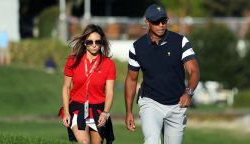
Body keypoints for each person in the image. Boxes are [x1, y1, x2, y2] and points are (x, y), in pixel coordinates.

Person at [124, 4, 200, 144]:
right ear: (147, 22)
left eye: (164, 21)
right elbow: (131, 80)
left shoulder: (181, 42)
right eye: (156, 22)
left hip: (177, 104)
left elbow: (194, 70)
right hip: (150, 102)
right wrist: (129, 111)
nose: (161, 25)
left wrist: (188, 92)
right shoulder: (137, 48)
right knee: (152, 141)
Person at [61, 24, 116, 144]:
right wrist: (66, 112)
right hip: (77, 108)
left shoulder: (109, 64)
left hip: (98, 110)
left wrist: (105, 113)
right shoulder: (72, 60)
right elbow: (66, 88)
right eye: (90, 42)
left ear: (102, 42)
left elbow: (110, 91)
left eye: (97, 41)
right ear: (84, 42)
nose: (94, 44)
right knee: (84, 141)